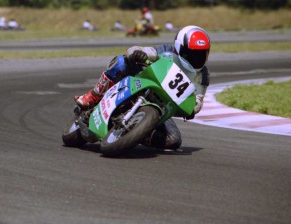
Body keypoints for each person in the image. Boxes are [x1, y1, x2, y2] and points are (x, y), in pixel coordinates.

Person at [74, 25, 211, 150]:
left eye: (201, 54)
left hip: (163, 107)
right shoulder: (165, 51)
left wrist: (193, 108)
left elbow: (198, 99)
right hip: (141, 83)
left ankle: (136, 133)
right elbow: (140, 50)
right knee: (121, 62)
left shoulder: (202, 75)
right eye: (191, 53)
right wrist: (137, 53)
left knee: (173, 140)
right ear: (178, 47)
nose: (196, 58)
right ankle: (93, 96)